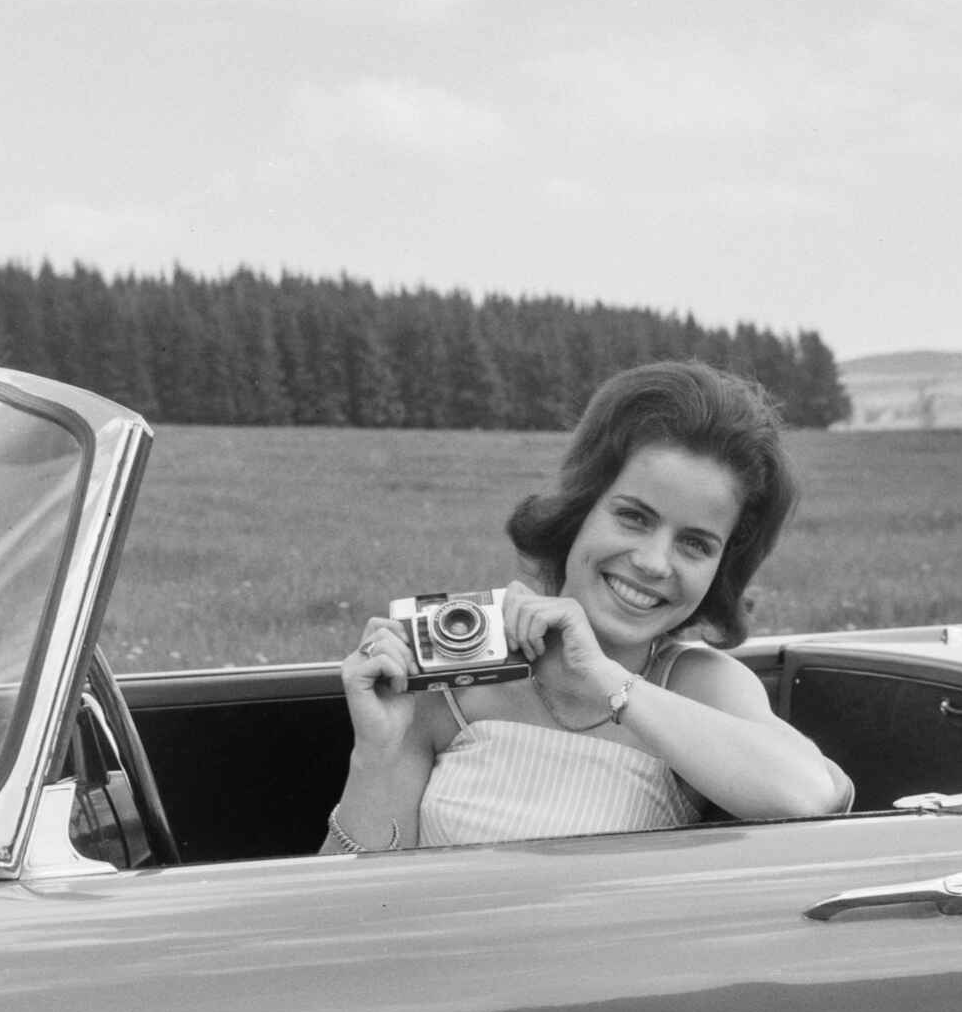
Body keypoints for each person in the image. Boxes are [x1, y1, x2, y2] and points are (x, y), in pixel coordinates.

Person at [323, 360, 852, 854]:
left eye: (695, 544)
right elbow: (352, 909)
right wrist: (376, 754)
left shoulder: (696, 683)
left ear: (720, 568)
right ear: (579, 510)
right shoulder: (460, 671)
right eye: (633, 517)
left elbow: (808, 793)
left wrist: (604, 679)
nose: (652, 562)